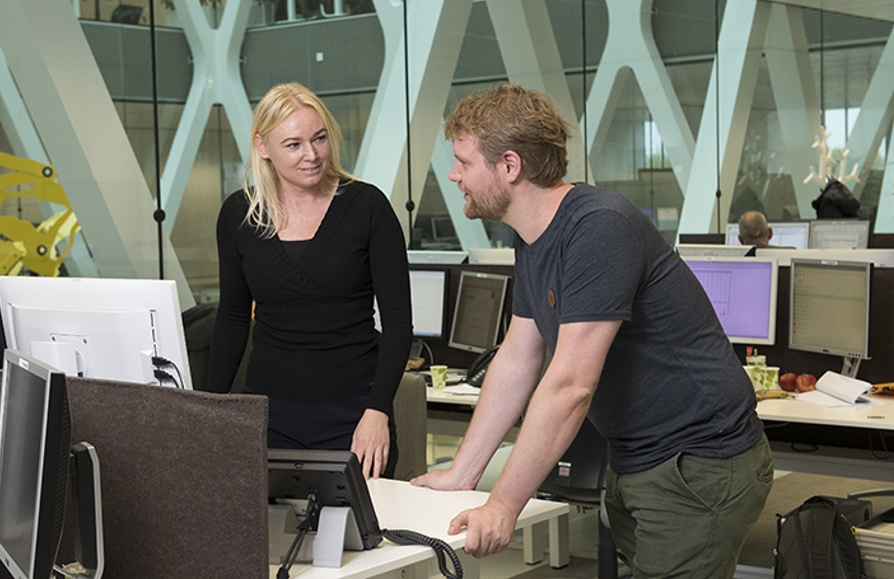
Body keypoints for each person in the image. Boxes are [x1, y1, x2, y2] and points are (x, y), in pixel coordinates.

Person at [412, 83, 773, 577]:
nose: (454, 175)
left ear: (510, 166)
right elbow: (518, 357)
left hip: (699, 459)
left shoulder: (599, 228)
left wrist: (502, 505)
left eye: (464, 162)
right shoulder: (534, 236)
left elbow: (570, 387)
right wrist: (463, 474)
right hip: (638, 457)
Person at [207, 82, 412, 479]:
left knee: (360, 539)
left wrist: (378, 411)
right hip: (267, 417)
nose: (312, 155)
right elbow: (232, 318)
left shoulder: (367, 208)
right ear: (263, 146)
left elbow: (399, 323)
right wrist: (210, 409)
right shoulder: (239, 215)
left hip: (354, 414)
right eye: (294, 144)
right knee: (267, 538)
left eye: (319, 139)